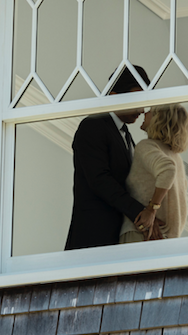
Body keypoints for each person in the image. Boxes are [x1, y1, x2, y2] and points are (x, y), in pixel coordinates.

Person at [64, 67, 157, 250]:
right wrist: (140, 212)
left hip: (114, 240)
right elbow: (100, 180)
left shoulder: (126, 136)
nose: (142, 109)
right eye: (137, 99)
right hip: (92, 240)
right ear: (114, 95)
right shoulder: (92, 126)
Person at [119, 104, 188, 242]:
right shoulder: (177, 158)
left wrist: (151, 210)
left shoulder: (147, 146)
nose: (145, 113)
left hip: (140, 234)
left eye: (150, 111)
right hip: (164, 242)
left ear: (159, 119)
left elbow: (167, 170)